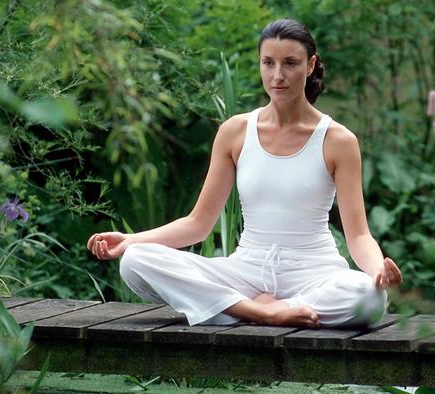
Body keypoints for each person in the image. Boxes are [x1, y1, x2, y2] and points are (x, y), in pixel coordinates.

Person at [87, 18, 402, 329]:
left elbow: (358, 235)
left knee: (368, 297)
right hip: (245, 271)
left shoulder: (338, 140)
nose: (278, 75)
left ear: (310, 65)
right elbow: (198, 224)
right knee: (135, 262)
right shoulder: (235, 131)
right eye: (268, 63)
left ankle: (236, 310)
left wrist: (378, 271)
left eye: (290, 63)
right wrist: (130, 240)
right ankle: (263, 313)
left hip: (314, 273)